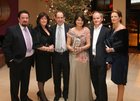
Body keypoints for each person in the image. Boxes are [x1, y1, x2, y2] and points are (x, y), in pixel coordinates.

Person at [2, 10, 36, 101]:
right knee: (15, 83)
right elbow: (6, 46)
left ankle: (24, 97)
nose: (25, 20)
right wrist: (11, 60)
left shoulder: (30, 29)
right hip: (16, 61)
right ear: (18, 19)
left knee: (25, 81)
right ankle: (15, 99)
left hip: (28, 60)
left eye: (27, 18)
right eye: (23, 18)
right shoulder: (12, 30)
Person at [67, 11, 93, 101]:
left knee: (84, 77)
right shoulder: (71, 30)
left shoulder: (86, 30)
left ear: (83, 21)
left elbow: (88, 44)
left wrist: (81, 48)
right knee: (74, 76)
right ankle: (74, 97)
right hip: (73, 56)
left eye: (81, 20)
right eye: (78, 20)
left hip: (83, 56)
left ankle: (84, 97)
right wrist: (72, 49)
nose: (80, 22)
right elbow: (68, 45)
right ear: (75, 21)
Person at [105, 9, 129, 101]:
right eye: (112, 16)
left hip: (121, 59)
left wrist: (111, 49)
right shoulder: (113, 29)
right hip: (115, 58)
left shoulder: (123, 29)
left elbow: (124, 46)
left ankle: (119, 100)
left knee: (121, 81)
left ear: (120, 18)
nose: (113, 18)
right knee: (118, 80)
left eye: (115, 16)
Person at [89, 11, 110, 101]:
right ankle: (98, 97)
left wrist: (108, 61)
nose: (96, 20)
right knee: (94, 80)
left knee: (101, 81)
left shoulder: (106, 31)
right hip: (92, 59)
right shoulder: (90, 30)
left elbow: (109, 46)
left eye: (98, 18)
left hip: (102, 60)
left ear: (101, 19)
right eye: (94, 18)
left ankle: (103, 99)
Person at [34, 12, 54, 101]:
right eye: (42, 18)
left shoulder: (48, 29)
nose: (44, 20)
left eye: (45, 19)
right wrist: (47, 49)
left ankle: (39, 91)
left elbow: (52, 40)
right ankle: (42, 95)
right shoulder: (36, 30)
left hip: (47, 57)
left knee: (45, 75)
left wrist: (52, 46)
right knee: (41, 76)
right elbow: (36, 45)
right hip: (40, 56)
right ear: (38, 20)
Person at [51, 11, 70, 101]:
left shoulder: (69, 27)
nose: (60, 19)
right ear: (55, 18)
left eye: (61, 17)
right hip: (56, 55)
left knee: (67, 76)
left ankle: (66, 94)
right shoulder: (52, 28)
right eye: (58, 17)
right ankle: (57, 94)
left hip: (66, 55)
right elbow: (50, 41)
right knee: (56, 76)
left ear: (64, 18)